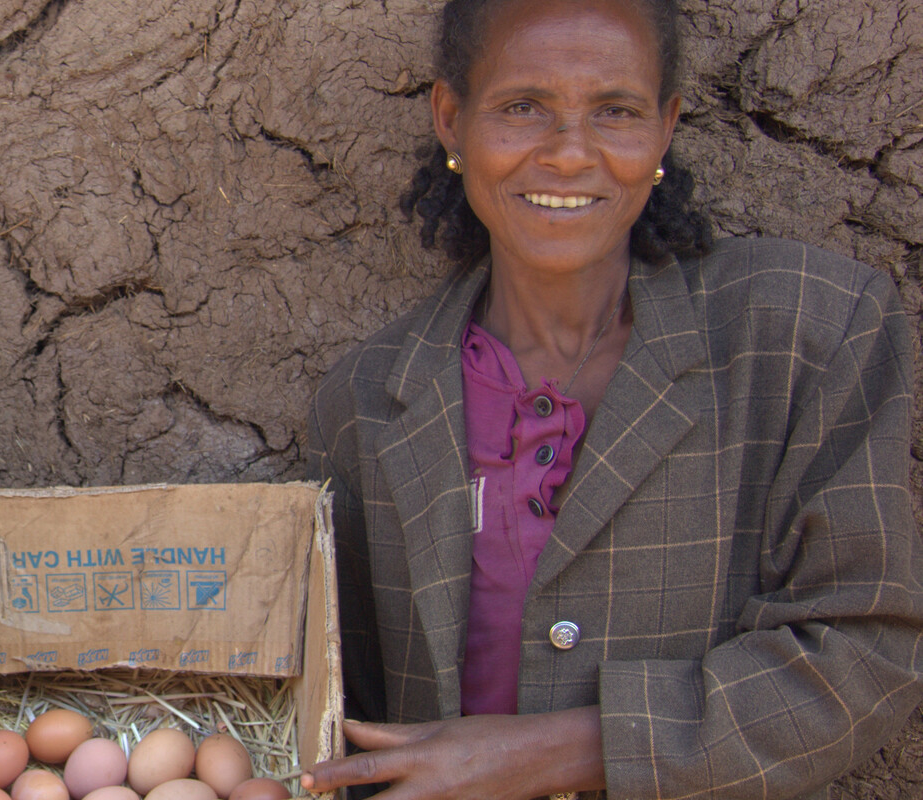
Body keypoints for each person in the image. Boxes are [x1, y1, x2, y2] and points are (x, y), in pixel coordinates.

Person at [299, 0, 923, 798]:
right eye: (523, 107)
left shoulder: (803, 331)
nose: (568, 155)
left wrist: (556, 751)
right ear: (452, 119)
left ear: (664, 129)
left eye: (615, 111)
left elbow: (865, 649)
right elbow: (344, 706)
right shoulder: (369, 402)